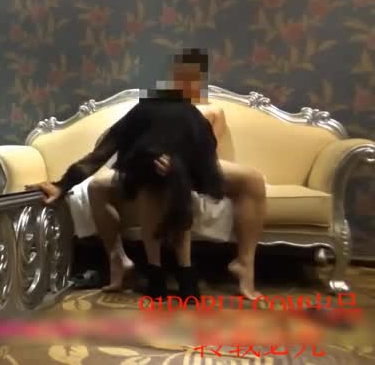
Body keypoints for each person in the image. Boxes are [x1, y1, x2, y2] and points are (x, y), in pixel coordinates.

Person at [27, 49, 265, 300]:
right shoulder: (146, 108)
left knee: (249, 179)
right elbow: (104, 148)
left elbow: (208, 154)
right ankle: (123, 262)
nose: (187, 82)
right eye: (181, 76)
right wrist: (63, 185)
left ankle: (243, 263)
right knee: (134, 183)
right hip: (144, 166)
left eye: (193, 77)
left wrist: (178, 164)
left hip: (195, 165)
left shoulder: (210, 111)